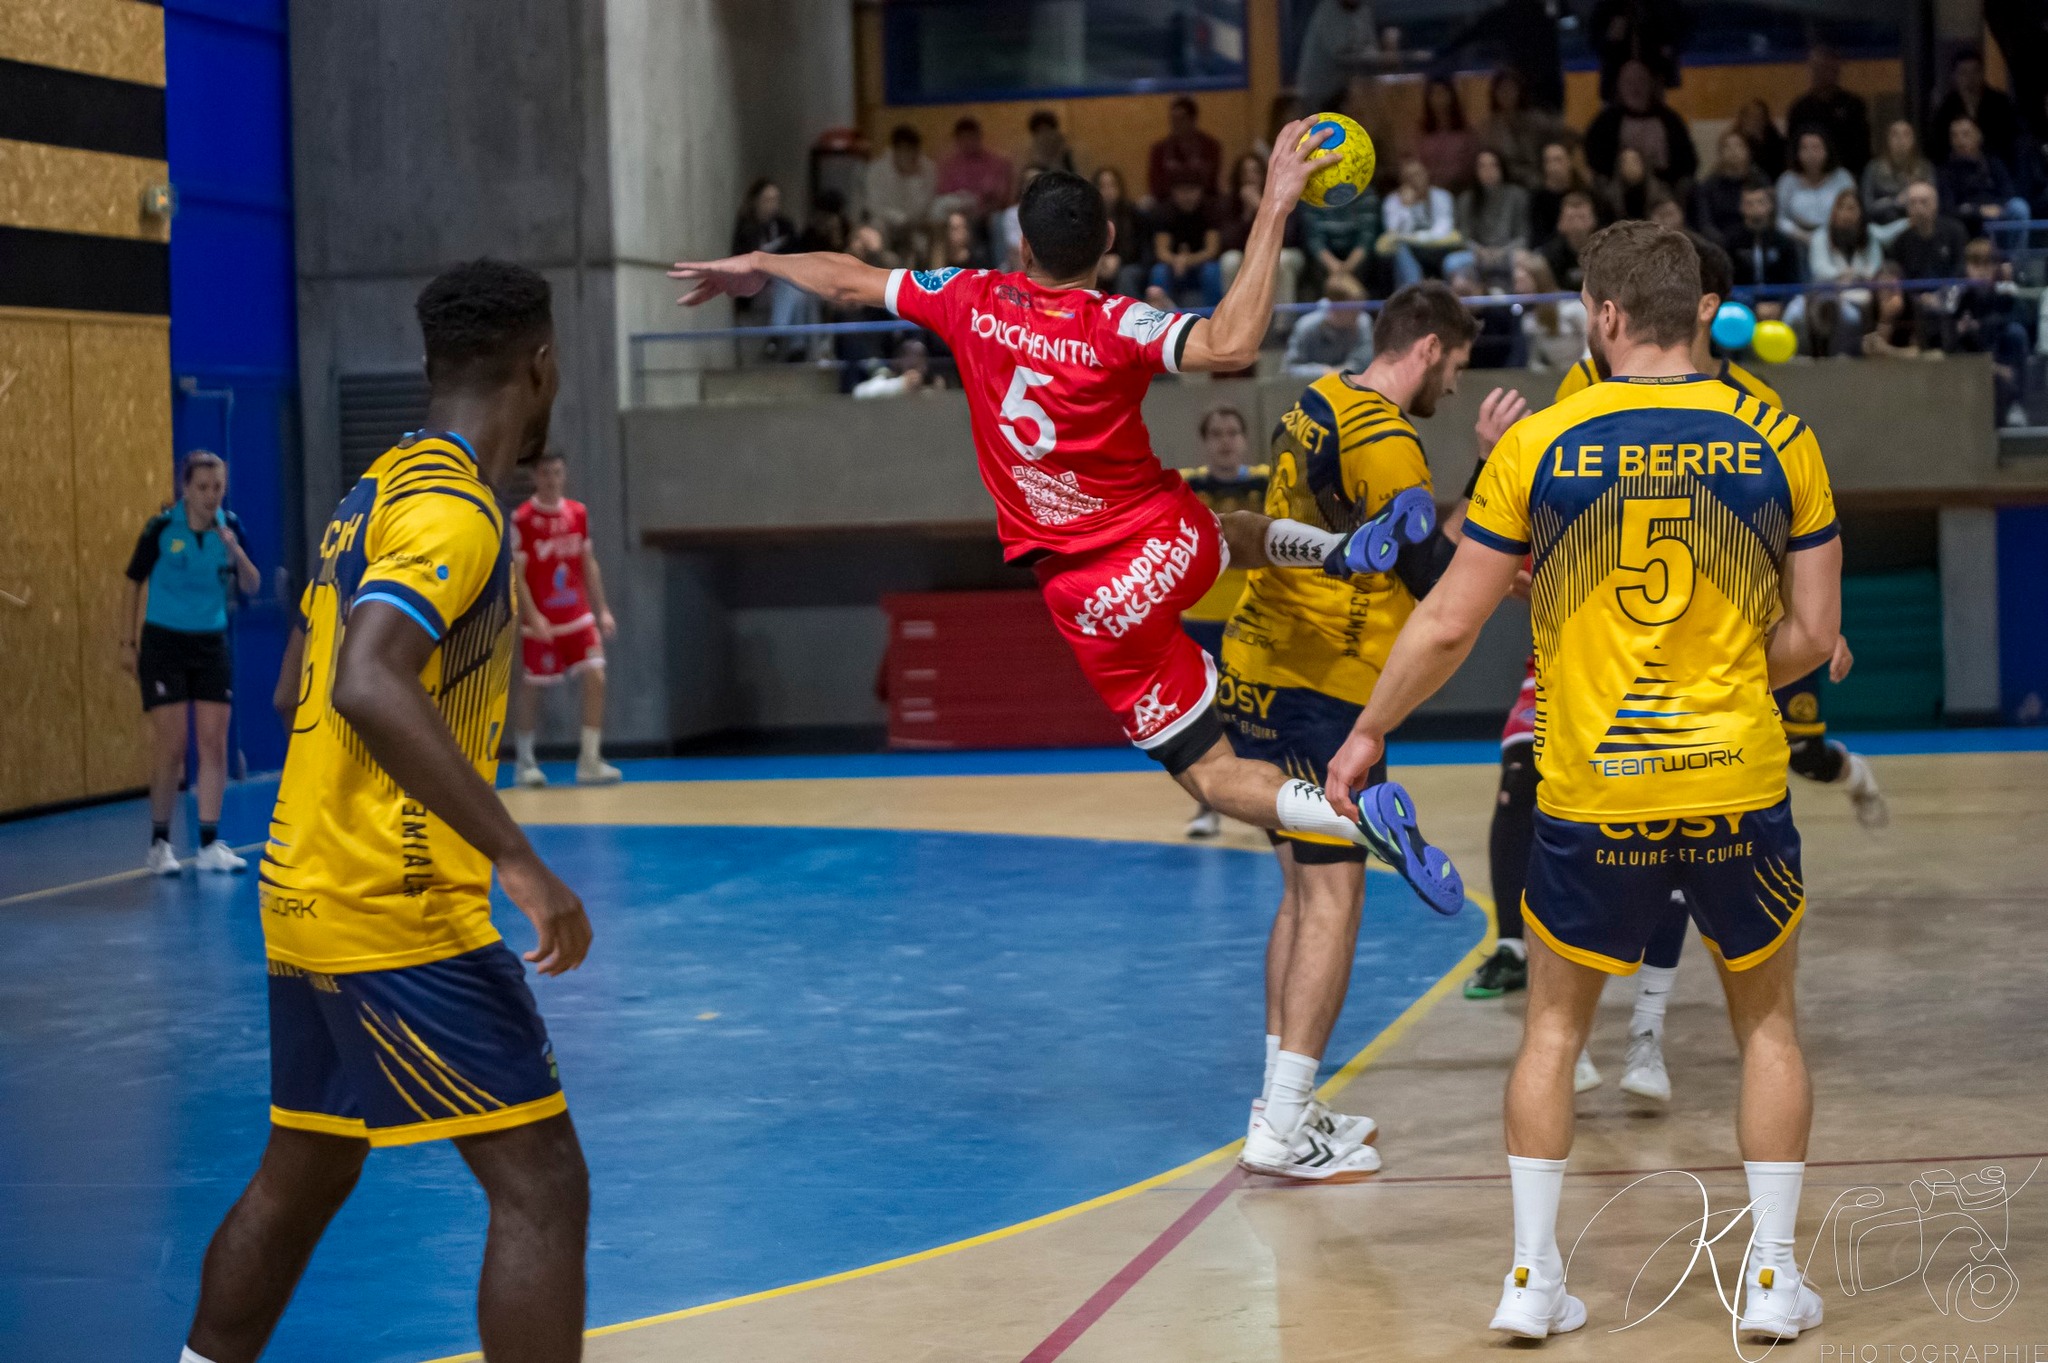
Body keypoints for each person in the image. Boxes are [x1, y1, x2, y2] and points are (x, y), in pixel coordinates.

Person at [672, 131, 1469, 967]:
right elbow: (1231, 347)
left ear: (1020, 245)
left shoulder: (970, 297)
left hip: (1094, 596)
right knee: (1231, 532)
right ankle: (1341, 553)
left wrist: (762, 261)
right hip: (1171, 536)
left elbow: (848, 278)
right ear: (1110, 246)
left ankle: (1349, 811)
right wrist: (1273, 206)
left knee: (1210, 772)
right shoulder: (1117, 320)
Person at [1329, 222, 1841, 1343]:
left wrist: (1367, 731)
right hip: (1734, 781)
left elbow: (1449, 620)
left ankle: (1529, 1281)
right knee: (1767, 1031)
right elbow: (1812, 634)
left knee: (1552, 1033)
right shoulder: (1780, 440)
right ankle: (1766, 1284)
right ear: (1697, 311)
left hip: (1588, 788)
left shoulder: (1540, 447)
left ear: (1604, 318)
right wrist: (1720, 677)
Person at [184, 259, 593, 1363]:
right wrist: (518, 858)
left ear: (429, 368)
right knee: (542, 1183)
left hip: (302, 886)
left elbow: (294, 689)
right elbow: (366, 679)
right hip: (396, 901)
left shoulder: (369, 494)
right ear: (541, 366)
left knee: (307, 1166)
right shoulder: (458, 513)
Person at [1224, 282, 1496, 1181]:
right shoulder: (1387, 437)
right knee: (1335, 899)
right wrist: (1504, 532)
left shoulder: (1318, 403)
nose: (1452, 388)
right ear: (1426, 349)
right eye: (1453, 368)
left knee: (1301, 895)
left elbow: (1403, 531)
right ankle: (1285, 1125)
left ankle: (1281, 1104)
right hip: (1324, 689)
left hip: (1257, 669)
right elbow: (1434, 577)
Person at [124, 449, 262, 875]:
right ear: (186, 488)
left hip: (211, 643)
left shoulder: (230, 527)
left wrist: (235, 551)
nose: (210, 495)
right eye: (202, 487)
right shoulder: (162, 528)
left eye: (217, 487)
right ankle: (159, 844)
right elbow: (131, 582)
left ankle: (207, 844)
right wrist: (127, 642)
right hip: (164, 642)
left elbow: (252, 585)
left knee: (213, 743)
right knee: (172, 745)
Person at [1177, 404, 1271, 840]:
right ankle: (1208, 807)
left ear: (1245, 439)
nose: (1225, 440)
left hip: (1255, 623)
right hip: (1200, 623)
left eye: (1233, 432)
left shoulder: (1266, 482)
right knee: (1207, 723)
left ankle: (1266, 805)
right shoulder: (1186, 485)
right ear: (1205, 440)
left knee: (1258, 717)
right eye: (1216, 433)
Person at [509, 452, 620, 789]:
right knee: (534, 687)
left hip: (577, 616)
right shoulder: (523, 519)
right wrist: (532, 615)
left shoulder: (578, 513)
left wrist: (602, 610)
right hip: (543, 620)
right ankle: (525, 761)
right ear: (534, 478)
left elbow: (588, 562)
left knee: (596, 677)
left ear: (565, 475)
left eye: (557, 473)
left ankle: (589, 759)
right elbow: (519, 574)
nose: (552, 480)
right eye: (545, 474)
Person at [1583, 60, 1697, 189]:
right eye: (1629, 82)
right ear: (1619, 86)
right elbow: (1594, 162)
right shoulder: (1605, 123)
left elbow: (1688, 163)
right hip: (1616, 193)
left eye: (1641, 81)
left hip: (1665, 192)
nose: (1635, 88)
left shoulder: (1670, 121)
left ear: (1651, 84)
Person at [1804, 189, 1886, 355]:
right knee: (1796, 313)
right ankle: (1807, 355)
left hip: (1861, 292)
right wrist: (1840, 275)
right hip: (1826, 292)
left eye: (1851, 208)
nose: (1846, 213)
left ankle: (1845, 358)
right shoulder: (1821, 236)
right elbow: (1819, 268)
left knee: (1851, 316)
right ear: (1834, 211)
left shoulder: (1869, 236)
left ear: (1860, 212)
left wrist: (1855, 275)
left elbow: (1875, 266)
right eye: (1841, 208)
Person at [1220, 152, 1305, 302]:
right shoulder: (1230, 203)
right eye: (1244, 172)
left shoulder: (1282, 196)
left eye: (1255, 171)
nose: (1250, 177)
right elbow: (1228, 243)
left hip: (1285, 253)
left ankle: (1283, 324)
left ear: (1265, 174)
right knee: (1230, 260)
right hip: (1247, 254)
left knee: (1282, 260)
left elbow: (1288, 238)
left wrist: (1260, 207)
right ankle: (1234, 321)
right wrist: (1246, 215)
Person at [1926, 48, 2020, 171]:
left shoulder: (1999, 103)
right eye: (1964, 73)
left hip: (1996, 168)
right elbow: (1937, 146)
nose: (1970, 78)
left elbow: (2009, 139)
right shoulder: (1947, 107)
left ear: (1982, 73)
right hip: (1956, 168)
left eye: (1974, 72)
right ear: (1955, 76)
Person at [1938, 116, 2031, 239]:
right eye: (1955, 135)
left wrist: (1996, 208)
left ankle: (2015, 258)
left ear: (1978, 136)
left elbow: (2009, 193)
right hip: (1969, 223)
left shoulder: (1993, 163)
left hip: (1999, 216)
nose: (1960, 140)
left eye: (1966, 134)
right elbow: (1948, 209)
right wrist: (1979, 211)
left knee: (2019, 207)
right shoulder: (1945, 171)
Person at [1786, 45, 1871, 177]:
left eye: (1830, 69)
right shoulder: (1800, 108)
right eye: (1819, 69)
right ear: (1812, 71)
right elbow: (1793, 148)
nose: (1825, 73)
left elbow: (1862, 149)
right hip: (1809, 176)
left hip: (1849, 173)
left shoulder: (1853, 104)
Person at [1378, 156, 1461, 288]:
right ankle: (1413, 289)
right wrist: (1406, 207)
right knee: (1399, 249)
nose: (1415, 180)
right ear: (1402, 180)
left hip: (1437, 249)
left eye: (1418, 174)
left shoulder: (1442, 196)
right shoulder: (1392, 201)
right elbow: (1393, 233)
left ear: (1426, 174)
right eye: (1409, 176)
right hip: (1408, 252)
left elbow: (1443, 230)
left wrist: (1414, 238)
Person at [1452, 147, 1531, 284]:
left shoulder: (1517, 195)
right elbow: (1463, 237)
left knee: (1524, 262)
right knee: (1453, 264)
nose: (1488, 171)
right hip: (1477, 254)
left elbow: (1523, 235)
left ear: (1502, 168)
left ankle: (1523, 304)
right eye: (1482, 166)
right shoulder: (1467, 199)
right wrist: (1480, 251)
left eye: (1493, 165)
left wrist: (1501, 252)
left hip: (1509, 253)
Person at [1479, 69, 1564, 188]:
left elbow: (1559, 139)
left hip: (1537, 182)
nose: (1507, 94)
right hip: (1503, 186)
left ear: (1520, 91)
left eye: (1511, 89)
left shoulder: (1537, 121)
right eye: (1502, 90)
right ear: (1494, 93)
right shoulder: (1488, 127)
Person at [1775, 130, 1859, 251]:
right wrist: (1803, 236)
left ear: (1827, 150)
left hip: (1838, 238)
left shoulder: (1842, 178)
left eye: (1816, 148)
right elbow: (1779, 219)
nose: (1811, 154)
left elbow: (1854, 210)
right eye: (1805, 148)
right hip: (1798, 240)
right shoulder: (1787, 180)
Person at [1148, 176, 1224, 307]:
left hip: (1200, 264)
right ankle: (1158, 318)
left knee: (1212, 271)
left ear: (1200, 191)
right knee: (1159, 271)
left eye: (1192, 190)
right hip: (1173, 266)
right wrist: (1176, 261)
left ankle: (1214, 316)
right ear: (1174, 192)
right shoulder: (1164, 212)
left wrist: (1187, 261)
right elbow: (1161, 251)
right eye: (1182, 191)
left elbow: (1212, 250)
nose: (1187, 196)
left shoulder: (1210, 211)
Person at [1588, 0, 1686, 102]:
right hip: (1616, 80)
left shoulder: (1661, 5)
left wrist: (1670, 47)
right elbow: (1594, 40)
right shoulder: (1607, 5)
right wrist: (1609, 37)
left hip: (1654, 76)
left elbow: (1681, 29)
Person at [1727, 183, 1805, 312]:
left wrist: (1780, 305)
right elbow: (1728, 283)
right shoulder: (1731, 242)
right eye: (1749, 203)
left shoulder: (1785, 242)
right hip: (1742, 304)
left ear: (1771, 205)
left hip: (1779, 303)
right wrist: (1752, 305)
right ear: (1741, 207)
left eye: (1760, 202)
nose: (1755, 208)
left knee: (1798, 308)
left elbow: (1794, 282)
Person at [1296, 0, 1381, 115]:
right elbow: (1340, 52)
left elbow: (1372, 47)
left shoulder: (1364, 10)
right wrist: (1363, 52)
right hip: (1320, 92)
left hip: (1347, 91)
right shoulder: (1327, 10)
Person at [1283, 272, 1375, 376]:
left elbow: (1364, 364)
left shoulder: (1363, 322)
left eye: (1360, 308)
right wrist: (1321, 371)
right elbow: (1290, 368)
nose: (1358, 313)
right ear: (1334, 308)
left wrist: (1336, 373)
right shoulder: (1306, 327)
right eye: (1353, 309)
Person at [1303, 173, 1380, 295]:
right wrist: (1336, 268)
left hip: (1356, 258)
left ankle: (1360, 305)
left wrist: (1346, 269)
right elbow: (1314, 240)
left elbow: (1366, 238)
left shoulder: (1366, 193)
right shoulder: (1314, 193)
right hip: (1325, 259)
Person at [866, 126, 937, 254]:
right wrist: (900, 219)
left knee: (924, 241)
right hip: (885, 223)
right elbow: (874, 206)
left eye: (912, 151)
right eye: (904, 151)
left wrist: (913, 179)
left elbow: (925, 207)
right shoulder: (877, 170)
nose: (908, 156)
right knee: (875, 231)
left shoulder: (927, 169)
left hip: (915, 227)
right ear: (895, 150)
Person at [1885, 180, 1969, 281]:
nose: (1918, 207)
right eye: (1912, 202)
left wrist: (1942, 294)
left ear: (1935, 204)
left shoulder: (1955, 231)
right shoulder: (1901, 241)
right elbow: (1900, 278)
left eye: (1923, 202)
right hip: (1916, 294)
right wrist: (1917, 296)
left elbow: (1961, 269)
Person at [934, 117, 1016, 221]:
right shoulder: (949, 165)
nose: (968, 142)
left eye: (971, 137)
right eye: (964, 138)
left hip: (989, 216)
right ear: (957, 140)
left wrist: (984, 207)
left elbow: (1001, 197)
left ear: (979, 136)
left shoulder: (998, 163)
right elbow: (944, 194)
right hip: (957, 216)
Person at [1515, 252, 1586, 371]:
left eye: (1521, 281)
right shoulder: (1528, 320)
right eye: (1515, 282)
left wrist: (1581, 371)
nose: (1517, 288)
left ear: (1539, 279)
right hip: (1554, 377)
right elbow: (1534, 360)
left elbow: (1590, 347)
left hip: (1582, 372)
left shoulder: (1572, 307)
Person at [1146, 96, 1223, 205]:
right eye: (1173, 119)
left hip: (1203, 201)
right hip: (1169, 202)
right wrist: (1177, 195)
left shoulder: (1210, 146)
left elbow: (1212, 181)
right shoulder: (1159, 150)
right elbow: (1155, 184)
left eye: (1181, 119)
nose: (1176, 124)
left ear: (1192, 120)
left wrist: (1194, 193)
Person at [1862, 120, 1935, 226]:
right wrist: (1895, 202)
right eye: (1895, 135)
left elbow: (1932, 202)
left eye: (1906, 134)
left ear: (1913, 140)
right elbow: (1867, 207)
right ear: (1887, 140)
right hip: (1883, 227)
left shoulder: (1925, 168)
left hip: (1917, 225)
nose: (1901, 140)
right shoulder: (1873, 169)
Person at [1690, 130, 1759, 244]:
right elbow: (1705, 224)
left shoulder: (1759, 180)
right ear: (1720, 153)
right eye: (1727, 147)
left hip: (1754, 242)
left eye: (1738, 145)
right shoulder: (1708, 187)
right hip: (1721, 244)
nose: (1733, 151)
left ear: (1748, 151)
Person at [1417, 77, 1480, 192]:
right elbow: (1418, 165)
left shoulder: (1465, 130)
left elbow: (1472, 164)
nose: (1439, 98)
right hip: (1431, 193)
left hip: (1462, 191)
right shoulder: (1422, 132)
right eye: (1434, 94)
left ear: (1451, 96)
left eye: (1443, 93)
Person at [1094, 167, 1148, 298]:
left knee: (1126, 275)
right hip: (1097, 264)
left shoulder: (1133, 214)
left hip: (1130, 264)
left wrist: (1120, 260)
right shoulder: (1087, 216)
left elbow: (1141, 249)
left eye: (1112, 185)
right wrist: (1097, 261)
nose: (1108, 191)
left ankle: (1128, 315)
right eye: (1103, 186)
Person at [1527, 140, 1588, 245]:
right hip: (1551, 251)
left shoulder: (1586, 193)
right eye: (1548, 161)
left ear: (1569, 161)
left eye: (1558, 160)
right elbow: (1536, 237)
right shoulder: (1537, 199)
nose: (1553, 166)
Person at [1537, 189, 1597, 292]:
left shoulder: (1604, 251)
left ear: (1593, 221)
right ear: (1560, 224)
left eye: (1582, 218)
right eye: (1571, 218)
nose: (1577, 224)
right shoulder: (1549, 255)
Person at [851, 336, 946, 399]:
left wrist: (937, 393)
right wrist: (900, 385)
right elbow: (858, 393)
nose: (915, 361)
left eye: (920, 358)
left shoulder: (932, 384)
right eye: (909, 357)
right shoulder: (888, 378)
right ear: (898, 361)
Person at [1600, 145, 1668, 222]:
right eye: (1625, 162)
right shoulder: (1610, 197)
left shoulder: (1660, 192)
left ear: (1644, 164)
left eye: (1635, 161)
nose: (1630, 166)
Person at [1734, 98, 1789, 181]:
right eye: (1752, 116)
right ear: (1743, 118)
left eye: (1760, 116)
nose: (1756, 120)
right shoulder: (1737, 141)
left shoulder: (1775, 139)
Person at [929, 207, 992, 272]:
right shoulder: (937, 261)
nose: (961, 232)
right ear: (946, 232)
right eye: (955, 229)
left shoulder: (980, 261)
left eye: (963, 227)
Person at [1024, 109, 1077, 175]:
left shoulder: (1065, 151)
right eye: (1040, 131)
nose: (1045, 138)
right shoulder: (1031, 170)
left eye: (1048, 131)